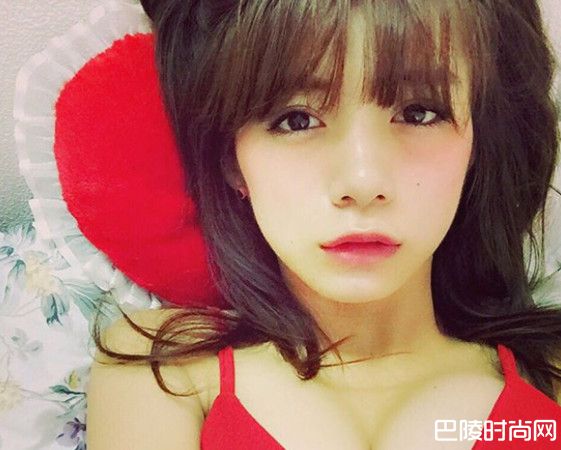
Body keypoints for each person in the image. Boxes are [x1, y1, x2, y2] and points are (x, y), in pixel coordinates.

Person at [86, 1, 561, 449]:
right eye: (296, 120)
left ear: (477, 141)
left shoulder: (549, 373)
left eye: (419, 113)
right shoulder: (167, 366)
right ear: (231, 160)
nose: (362, 182)